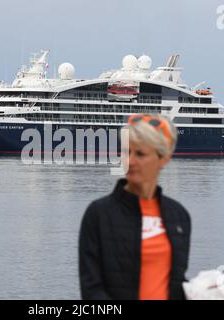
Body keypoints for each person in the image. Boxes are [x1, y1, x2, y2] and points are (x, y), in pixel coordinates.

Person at [79, 114, 191, 300]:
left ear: (163, 158)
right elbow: (92, 289)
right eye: (126, 152)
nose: (130, 161)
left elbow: (175, 284)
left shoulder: (179, 217)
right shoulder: (99, 214)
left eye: (140, 154)